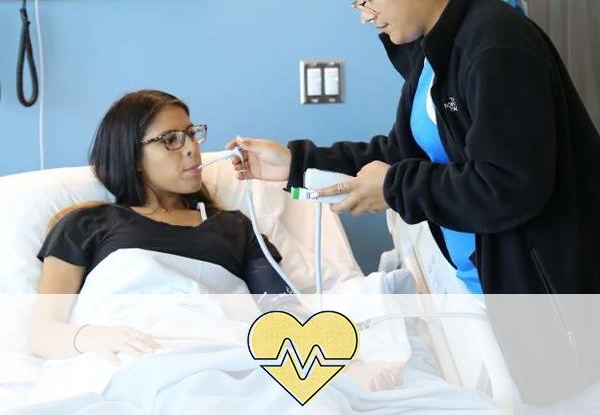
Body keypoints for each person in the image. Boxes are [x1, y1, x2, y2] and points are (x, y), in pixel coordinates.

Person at [226, 0, 600, 408]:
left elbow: (507, 187)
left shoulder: (495, 47)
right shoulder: (434, 52)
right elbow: (404, 150)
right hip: (494, 282)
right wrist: (295, 164)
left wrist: (396, 189)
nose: (364, 14)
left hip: (555, 298)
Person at [29, 89, 401, 391]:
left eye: (192, 134)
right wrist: (95, 337)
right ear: (133, 155)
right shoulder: (86, 224)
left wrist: (348, 368)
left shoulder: (235, 227)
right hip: (137, 358)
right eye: (171, 140)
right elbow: (44, 332)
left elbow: (283, 314)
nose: (192, 148)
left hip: (230, 354)